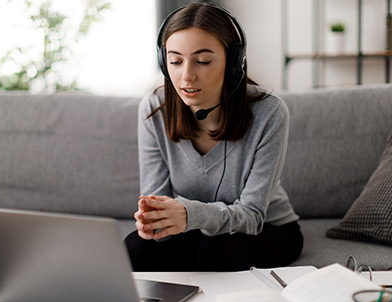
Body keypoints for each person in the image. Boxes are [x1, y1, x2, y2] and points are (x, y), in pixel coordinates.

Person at [125, 2, 303, 272]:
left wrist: (189, 215)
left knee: (216, 253)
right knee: (135, 249)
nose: (186, 76)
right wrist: (155, 223)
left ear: (233, 62)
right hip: (194, 226)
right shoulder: (154, 109)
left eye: (203, 61)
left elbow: (252, 216)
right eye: (175, 61)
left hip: (268, 229)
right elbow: (156, 203)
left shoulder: (270, 112)